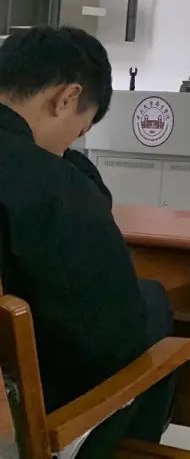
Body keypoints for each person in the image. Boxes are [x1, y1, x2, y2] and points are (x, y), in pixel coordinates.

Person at [0, 27, 176, 458]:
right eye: (78, 129)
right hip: (21, 417)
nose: (71, 143)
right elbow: (103, 334)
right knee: (150, 305)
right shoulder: (50, 185)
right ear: (66, 98)